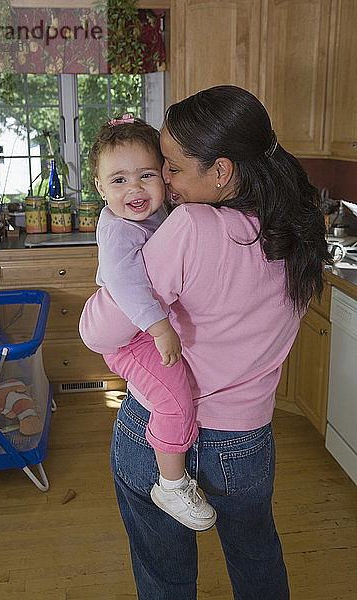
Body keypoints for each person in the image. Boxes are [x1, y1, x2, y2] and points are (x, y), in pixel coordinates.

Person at [79, 85, 332, 599]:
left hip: (161, 428)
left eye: (169, 168)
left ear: (220, 171)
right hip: (247, 438)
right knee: (258, 559)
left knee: (165, 574)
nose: (163, 183)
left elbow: (97, 331)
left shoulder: (192, 227)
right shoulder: (299, 233)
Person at [87, 114, 216, 531]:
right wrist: (160, 327)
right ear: (100, 188)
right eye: (119, 180)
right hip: (131, 339)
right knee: (174, 398)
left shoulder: (155, 214)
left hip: (143, 329)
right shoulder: (119, 230)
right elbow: (125, 284)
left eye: (146, 175)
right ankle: (171, 483)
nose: (135, 189)